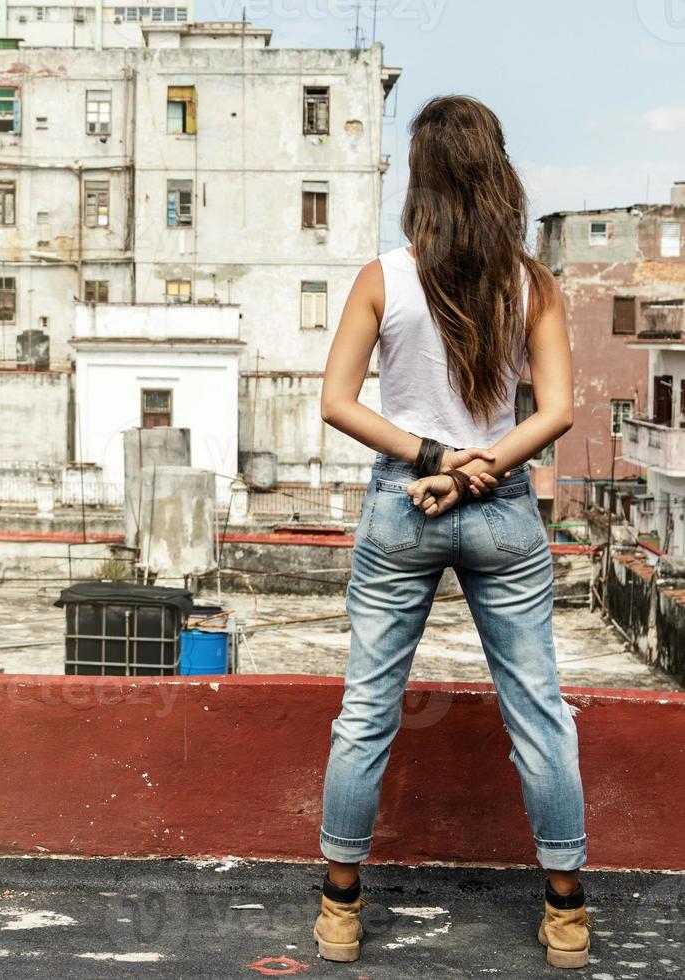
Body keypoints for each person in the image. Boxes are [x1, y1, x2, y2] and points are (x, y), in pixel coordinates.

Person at [313, 94, 590, 969]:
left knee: (367, 710)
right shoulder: (532, 283)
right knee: (539, 709)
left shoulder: (382, 278)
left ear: (421, 181)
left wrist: (435, 459)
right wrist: (482, 465)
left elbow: (337, 404)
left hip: (405, 501)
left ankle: (340, 911)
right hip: (503, 508)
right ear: (498, 173)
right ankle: (568, 913)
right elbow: (559, 413)